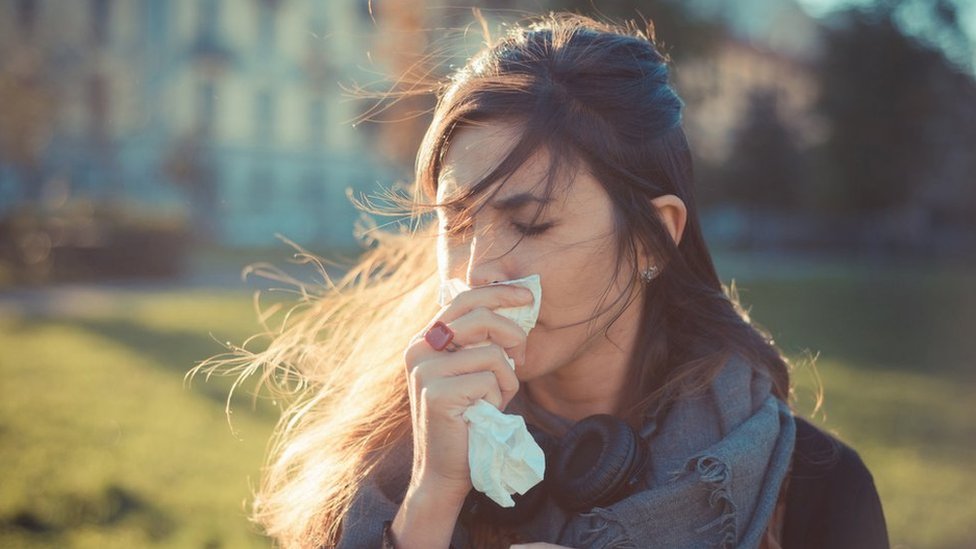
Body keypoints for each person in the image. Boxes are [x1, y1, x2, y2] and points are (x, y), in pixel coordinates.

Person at [192, 12, 888, 549]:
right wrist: (431, 498)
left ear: (653, 237)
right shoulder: (386, 468)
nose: (476, 271)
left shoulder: (814, 489)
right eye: (457, 224)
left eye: (530, 224)